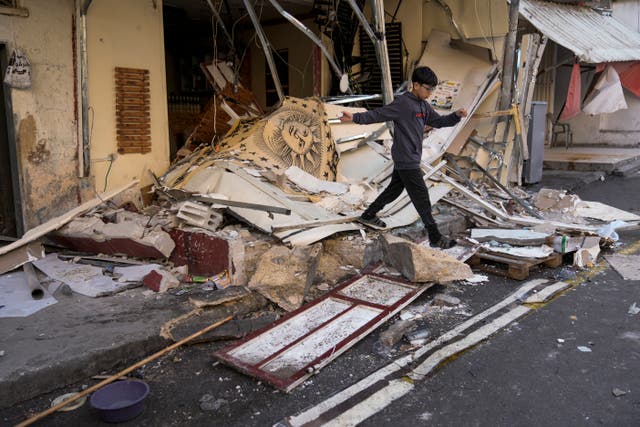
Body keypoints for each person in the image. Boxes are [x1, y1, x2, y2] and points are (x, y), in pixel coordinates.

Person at [340, 66, 467, 249]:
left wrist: (456, 116)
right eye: (427, 89)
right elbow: (377, 114)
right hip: (405, 158)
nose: (430, 93)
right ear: (416, 85)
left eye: (432, 89)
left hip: (411, 157)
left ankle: (369, 214)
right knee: (421, 196)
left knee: (394, 190)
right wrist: (354, 117)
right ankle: (435, 237)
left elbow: (438, 122)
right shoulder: (403, 103)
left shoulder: (423, 106)